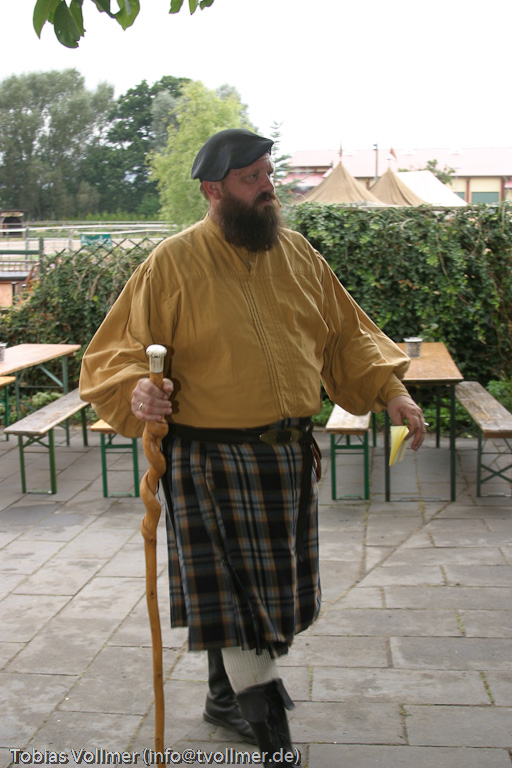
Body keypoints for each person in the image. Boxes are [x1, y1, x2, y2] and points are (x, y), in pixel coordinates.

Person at [79, 128, 426, 765]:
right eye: (251, 178)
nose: (268, 187)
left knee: (259, 600)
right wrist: (136, 390)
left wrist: (392, 392)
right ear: (214, 190)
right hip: (208, 461)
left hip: (286, 456)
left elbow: (347, 337)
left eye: (268, 173)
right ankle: (274, 742)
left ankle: (223, 697)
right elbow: (119, 351)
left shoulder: (298, 254)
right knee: (238, 603)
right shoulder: (172, 263)